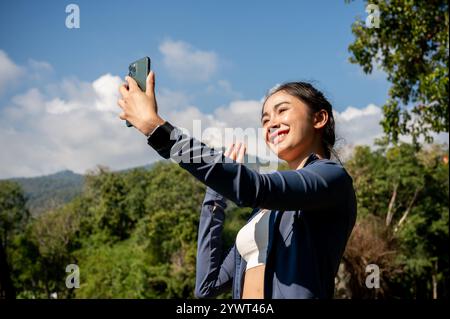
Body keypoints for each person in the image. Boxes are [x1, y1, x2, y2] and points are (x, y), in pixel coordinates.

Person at [117, 71, 357, 299]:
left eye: (282, 111)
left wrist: (157, 130)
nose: (271, 123)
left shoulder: (331, 177)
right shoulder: (263, 213)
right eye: (265, 120)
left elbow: (256, 187)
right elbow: (206, 286)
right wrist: (216, 193)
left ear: (319, 118)